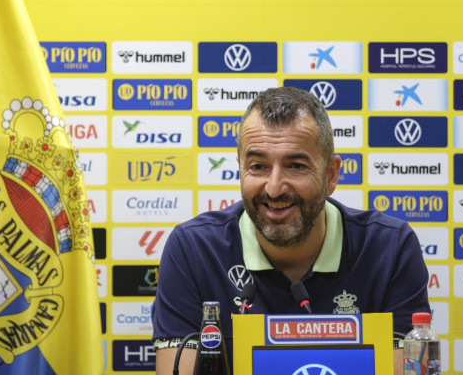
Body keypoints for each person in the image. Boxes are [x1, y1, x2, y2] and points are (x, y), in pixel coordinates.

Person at [151, 87, 431, 374]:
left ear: (330, 175)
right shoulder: (193, 249)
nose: (274, 188)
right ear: (240, 169)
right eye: (258, 166)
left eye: (296, 166)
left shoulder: (390, 248)